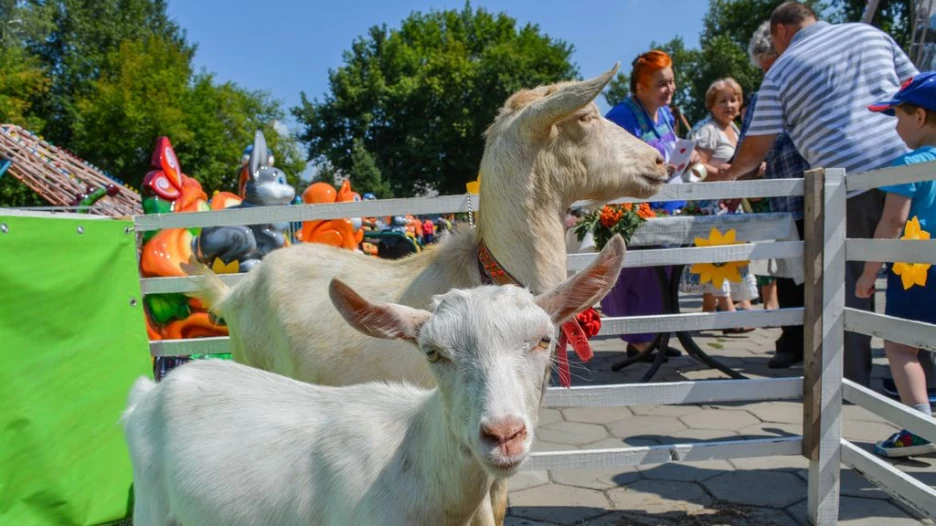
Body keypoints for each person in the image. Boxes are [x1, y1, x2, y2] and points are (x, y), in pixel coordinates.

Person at [714, 2, 918, 385]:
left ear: (780, 33)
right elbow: (919, 89)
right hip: (910, 167)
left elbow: (755, 150)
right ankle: (923, 378)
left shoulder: (782, 70)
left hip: (849, 182)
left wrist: (727, 176)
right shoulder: (871, 34)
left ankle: (850, 384)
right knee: (919, 273)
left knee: (850, 289)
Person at [854, 72, 936, 457]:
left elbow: (892, 222)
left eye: (898, 117)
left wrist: (869, 273)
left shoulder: (910, 164)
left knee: (902, 347)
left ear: (919, 116)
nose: (896, 126)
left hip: (917, 271)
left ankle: (920, 426)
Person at [603, 50, 695, 361]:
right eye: (661, 84)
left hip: (667, 206)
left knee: (665, 276)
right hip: (636, 211)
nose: (669, 89)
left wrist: (687, 157)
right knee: (641, 276)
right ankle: (640, 340)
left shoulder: (667, 114)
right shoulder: (621, 117)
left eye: (671, 82)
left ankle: (656, 335)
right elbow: (611, 166)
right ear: (640, 87)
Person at [737, 20, 812, 366]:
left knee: (825, 273)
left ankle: (827, 347)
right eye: (766, 68)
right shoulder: (761, 97)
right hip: (787, 199)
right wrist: (738, 181)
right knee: (789, 274)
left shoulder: (813, 85)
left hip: (821, 191)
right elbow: (748, 152)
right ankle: (793, 340)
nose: (771, 74)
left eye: (773, 63)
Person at [690, 78, 759, 330]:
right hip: (713, 202)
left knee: (732, 255)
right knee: (718, 257)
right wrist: (720, 173)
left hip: (732, 202)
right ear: (711, 105)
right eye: (723, 101)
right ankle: (728, 313)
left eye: (734, 99)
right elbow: (696, 166)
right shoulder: (708, 130)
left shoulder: (736, 129)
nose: (729, 105)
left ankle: (710, 309)